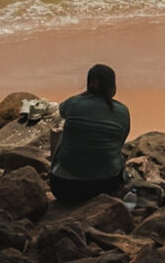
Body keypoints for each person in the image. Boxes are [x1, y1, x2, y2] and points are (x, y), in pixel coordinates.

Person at [49, 63, 131, 205]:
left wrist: (88, 93)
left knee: (65, 130)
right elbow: (120, 144)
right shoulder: (123, 111)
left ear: (92, 84)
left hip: (64, 188)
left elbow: (61, 110)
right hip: (105, 188)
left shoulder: (74, 105)